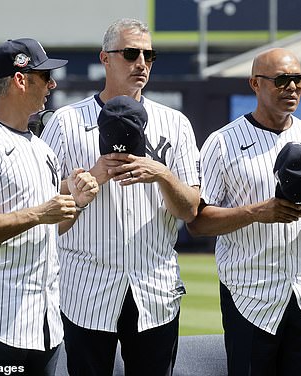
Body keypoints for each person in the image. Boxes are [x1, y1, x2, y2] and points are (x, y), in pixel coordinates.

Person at [40, 18, 200, 376]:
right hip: (85, 287)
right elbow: (45, 217)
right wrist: (88, 182)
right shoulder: (65, 122)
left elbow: (190, 209)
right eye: (130, 54)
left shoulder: (175, 123)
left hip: (154, 288)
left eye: (149, 55)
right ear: (105, 58)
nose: (141, 63)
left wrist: (161, 174)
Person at [187, 48, 301, 376]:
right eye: (281, 80)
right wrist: (254, 212)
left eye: (298, 79)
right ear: (255, 83)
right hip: (249, 294)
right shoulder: (223, 142)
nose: (292, 87)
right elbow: (197, 223)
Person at [0, 38, 98, 375]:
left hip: (44, 323)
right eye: (44, 76)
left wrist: (76, 203)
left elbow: (50, 226)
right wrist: (40, 213)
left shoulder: (41, 149)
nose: (52, 84)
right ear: (20, 79)